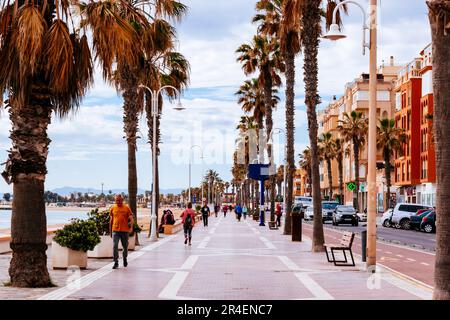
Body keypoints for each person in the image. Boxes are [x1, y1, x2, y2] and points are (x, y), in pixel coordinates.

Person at [110, 195, 134, 269]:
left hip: (124, 230)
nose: (118, 202)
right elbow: (111, 220)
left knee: (125, 246)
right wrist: (110, 231)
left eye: (120, 200)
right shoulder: (113, 208)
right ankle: (116, 262)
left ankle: (124, 258)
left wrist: (131, 228)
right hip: (115, 230)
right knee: (115, 246)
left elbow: (131, 219)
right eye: (117, 200)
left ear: (122, 200)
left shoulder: (126, 208)